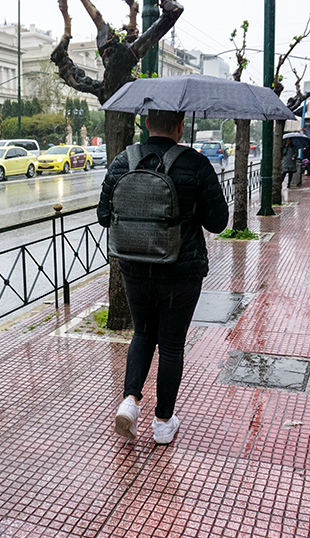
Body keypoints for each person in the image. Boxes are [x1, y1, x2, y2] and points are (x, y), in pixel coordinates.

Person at [97, 109, 229, 445]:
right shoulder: (196, 164)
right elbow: (217, 223)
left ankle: (130, 401)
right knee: (171, 344)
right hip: (181, 271)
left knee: (142, 333)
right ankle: (162, 423)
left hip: (135, 267)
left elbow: (102, 216)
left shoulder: (123, 162)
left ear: (145, 123)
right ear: (181, 126)